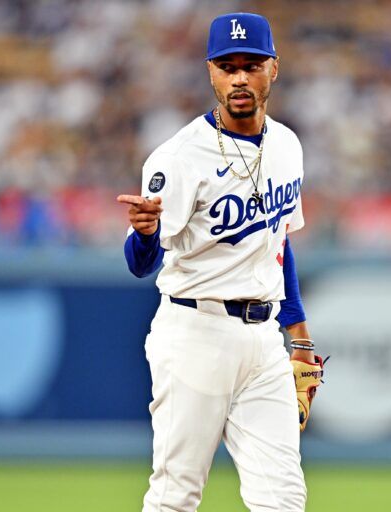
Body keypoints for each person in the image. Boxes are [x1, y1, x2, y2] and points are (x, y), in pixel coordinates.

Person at [116, 12, 325, 512]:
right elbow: (141, 265)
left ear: (273, 68)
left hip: (263, 341)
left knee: (283, 498)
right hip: (195, 332)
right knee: (176, 495)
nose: (238, 78)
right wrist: (144, 235)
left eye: (250, 65)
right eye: (226, 65)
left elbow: (278, 244)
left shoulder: (287, 145)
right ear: (210, 71)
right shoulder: (179, 156)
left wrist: (299, 339)